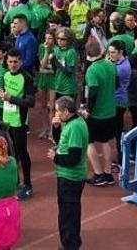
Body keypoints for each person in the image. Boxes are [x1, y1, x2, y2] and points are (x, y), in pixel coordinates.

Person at [48, 96, 89, 250]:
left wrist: (56, 157)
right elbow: (61, 142)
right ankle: (70, 243)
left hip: (70, 178)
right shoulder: (70, 123)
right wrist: (56, 128)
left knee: (68, 215)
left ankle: (70, 245)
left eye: (58, 111)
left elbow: (73, 158)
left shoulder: (75, 127)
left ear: (66, 111)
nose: (56, 114)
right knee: (68, 213)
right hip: (67, 177)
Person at [0, 48, 36, 200]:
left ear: (21, 62)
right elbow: (4, 96)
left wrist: (10, 98)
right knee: (9, 153)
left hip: (19, 121)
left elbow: (30, 102)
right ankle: (15, 181)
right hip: (6, 120)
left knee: (21, 152)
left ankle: (28, 184)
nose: (12, 65)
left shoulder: (27, 78)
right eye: (10, 61)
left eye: (15, 62)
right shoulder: (5, 75)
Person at [83, 39, 117, 187]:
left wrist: (88, 109)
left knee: (88, 142)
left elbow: (93, 91)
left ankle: (98, 173)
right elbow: (118, 82)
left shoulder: (92, 70)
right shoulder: (110, 65)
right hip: (110, 111)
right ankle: (108, 173)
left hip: (97, 113)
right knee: (105, 142)